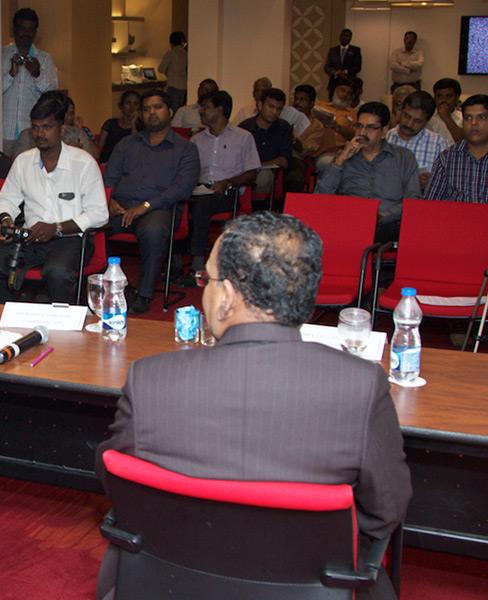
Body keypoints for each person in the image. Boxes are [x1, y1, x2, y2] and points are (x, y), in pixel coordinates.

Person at [94, 211, 411, 600]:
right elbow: (386, 509)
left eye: (206, 280)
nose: (204, 291)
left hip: (169, 583)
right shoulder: (360, 385)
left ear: (227, 296)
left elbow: (113, 476)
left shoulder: (150, 379)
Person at [0, 93, 108, 304]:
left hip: (70, 240)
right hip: (30, 238)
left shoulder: (83, 163)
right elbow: (5, 200)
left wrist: (56, 228)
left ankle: (61, 320)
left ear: (61, 129)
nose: (39, 133)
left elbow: (99, 214)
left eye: (47, 127)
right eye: (35, 127)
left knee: (57, 271)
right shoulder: (23, 162)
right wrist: (6, 221)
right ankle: (9, 311)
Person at [103, 89, 200, 314]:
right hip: (121, 207)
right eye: (146, 109)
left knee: (153, 230)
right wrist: (109, 200)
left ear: (170, 112)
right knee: (91, 224)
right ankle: (110, 287)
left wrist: (145, 207)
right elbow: (109, 178)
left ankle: (144, 294)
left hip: (158, 209)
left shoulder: (186, 149)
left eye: (157, 107)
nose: (151, 113)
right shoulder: (126, 144)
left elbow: (183, 188)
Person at [315, 101, 420, 242]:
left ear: (384, 131)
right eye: (359, 126)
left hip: (388, 225)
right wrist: (339, 161)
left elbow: (412, 200)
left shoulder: (403, 157)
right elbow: (321, 197)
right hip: (349, 222)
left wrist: (382, 216)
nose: (362, 133)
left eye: (370, 128)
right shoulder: (344, 157)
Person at [188, 90, 260, 275]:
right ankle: (175, 261)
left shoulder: (243, 137)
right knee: (174, 204)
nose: (201, 111)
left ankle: (197, 261)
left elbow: (252, 173)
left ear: (220, 109)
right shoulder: (196, 140)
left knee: (202, 205)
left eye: (206, 107)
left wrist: (227, 182)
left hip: (228, 191)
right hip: (198, 190)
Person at [2, 7, 58, 158]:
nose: (26, 33)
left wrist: (37, 74)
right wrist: (10, 75)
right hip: (3, 131)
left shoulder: (44, 59)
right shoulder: (1, 55)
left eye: (31, 29)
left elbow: (53, 94)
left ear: (35, 32)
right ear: (14, 30)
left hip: (31, 132)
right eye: (22, 28)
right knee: (1, 170)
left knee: (26, 171)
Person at [425, 95, 488, 204]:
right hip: (455, 214)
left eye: (481, 117)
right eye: (468, 118)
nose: (473, 123)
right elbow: (430, 204)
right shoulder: (447, 158)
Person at [385, 91, 449, 191]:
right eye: (406, 116)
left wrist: (432, 183)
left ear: (427, 121)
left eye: (417, 121)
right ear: (401, 111)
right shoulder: (386, 137)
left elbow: (449, 183)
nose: (409, 124)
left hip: (421, 198)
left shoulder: (438, 143)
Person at [238, 87, 292, 199]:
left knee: (264, 176)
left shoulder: (284, 128)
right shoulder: (244, 128)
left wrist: (259, 166)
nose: (274, 112)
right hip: (243, 171)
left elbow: (284, 160)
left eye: (279, 109)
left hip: (268, 172)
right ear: (260, 105)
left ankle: (257, 207)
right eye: (271, 107)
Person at [12, 93, 98, 159]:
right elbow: (19, 165)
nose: (40, 133)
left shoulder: (77, 134)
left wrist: (77, 153)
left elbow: (93, 159)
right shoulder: (27, 135)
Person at [98, 90, 141, 163]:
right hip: (107, 164)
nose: (132, 107)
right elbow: (99, 150)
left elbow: (137, 150)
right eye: (128, 103)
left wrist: (133, 125)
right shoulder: (110, 124)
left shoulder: (142, 127)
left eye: (135, 104)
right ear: (121, 106)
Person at [325, 29, 362, 101]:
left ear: (350, 38)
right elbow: (327, 67)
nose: (345, 37)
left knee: (348, 104)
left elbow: (357, 67)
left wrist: (345, 72)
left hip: (350, 83)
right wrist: (336, 72)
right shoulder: (333, 50)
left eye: (347, 36)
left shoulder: (356, 50)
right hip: (334, 83)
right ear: (340, 36)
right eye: (343, 35)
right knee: (332, 104)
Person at [158, 31, 188, 111]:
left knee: (172, 110)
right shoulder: (186, 54)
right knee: (181, 109)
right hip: (184, 86)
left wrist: (167, 72)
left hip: (173, 85)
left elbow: (161, 68)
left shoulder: (171, 53)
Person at [430, 78, 464, 144]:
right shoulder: (428, 116)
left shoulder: (463, 117)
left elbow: (463, 143)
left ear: (457, 98)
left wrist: (446, 117)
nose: (444, 100)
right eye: (439, 96)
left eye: (448, 96)